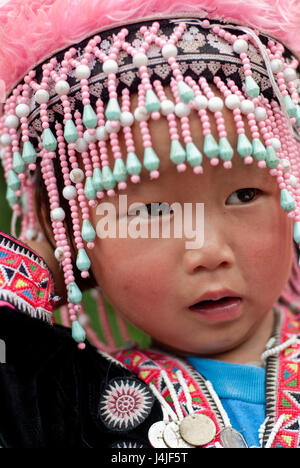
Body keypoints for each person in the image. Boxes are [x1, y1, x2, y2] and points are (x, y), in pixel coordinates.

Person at [0, 0, 300, 449]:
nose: (210, 251)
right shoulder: (72, 400)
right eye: (152, 213)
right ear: (67, 221)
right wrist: (47, 261)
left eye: (244, 195)